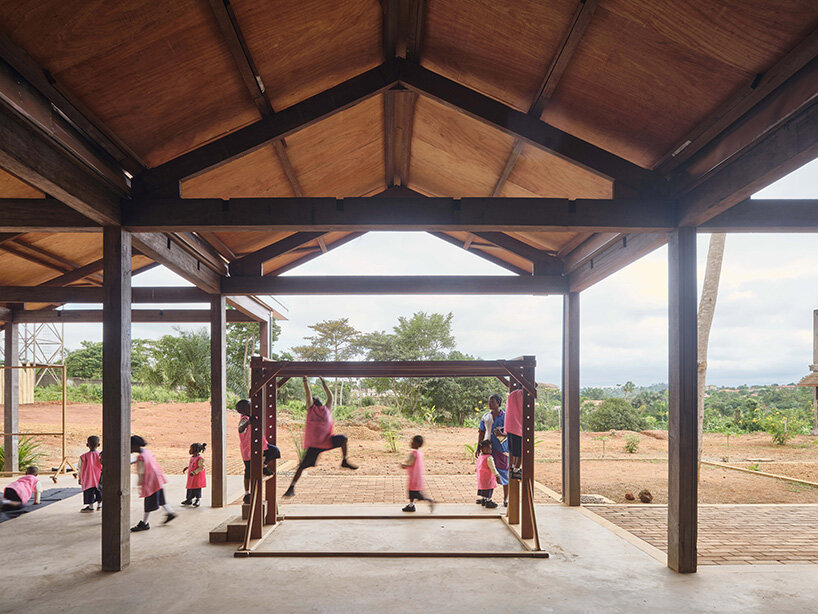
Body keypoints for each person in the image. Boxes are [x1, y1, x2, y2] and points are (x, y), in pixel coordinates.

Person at [283, 376, 357, 498]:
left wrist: (322, 381)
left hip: (325, 441)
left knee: (343, 439)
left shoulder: (325, 409)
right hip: (316, 445)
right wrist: (306, 381)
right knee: (301, 466)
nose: (312, 400)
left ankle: (344, 461)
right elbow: (310, 395)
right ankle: (291, 487)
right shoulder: (312, 409)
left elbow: (330, 396)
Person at [237, 399, 281, 504]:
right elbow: (240, 429)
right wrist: (248, 422)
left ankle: (264, 466)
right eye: (249, 406)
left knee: (275, 451)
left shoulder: (253, 416)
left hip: (261, 446)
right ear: (243, 410)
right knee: (248, 471)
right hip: (248, 450)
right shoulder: (244, 419)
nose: (251, 407)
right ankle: (247, 493)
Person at [130, 435, 176, 532]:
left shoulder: (141, 457)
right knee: (161, 499)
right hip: (157, 480)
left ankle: (144, 523)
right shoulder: (146, 452)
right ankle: (170, 512)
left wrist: (140, 484)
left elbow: (141, 472)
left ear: (134, 446)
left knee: (148, 503)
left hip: (150, 482)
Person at [476, 393, 509, 506]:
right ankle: (486, 497)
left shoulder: (506, 416)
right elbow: (481, 432)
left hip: (501, 450)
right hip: (487, 450)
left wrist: (502, 434)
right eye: (489, 401)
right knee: (487, 474)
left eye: (492, 401)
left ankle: (506, 499)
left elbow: (511, 433)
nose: (489, 403)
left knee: (504, 473)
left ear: (498, 403)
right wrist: (478, 448)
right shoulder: (486, 416)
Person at [400, 435, 434, 513]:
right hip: (417, 476)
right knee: (412, 493)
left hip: (414, 478)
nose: (411, 443)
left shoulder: (414, 454)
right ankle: (411, 505)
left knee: (415, 493)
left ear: (417, 444)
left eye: (413, 442)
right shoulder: (419, 453)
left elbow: (409, 463)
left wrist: (403, 466)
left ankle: (428, 501)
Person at [78, 435, 102, 512]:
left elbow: (80, 468)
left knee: (89, 492)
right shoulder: (100, 455)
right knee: (99, 491)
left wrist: (80, 478)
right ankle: (100, 505)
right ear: (98, 445)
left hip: (88, 478)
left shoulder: (83, 457)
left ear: (87, 445)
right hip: (99, 478)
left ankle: (90, 506)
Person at [504, 383, 523, 478]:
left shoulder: (512, 394)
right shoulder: (523, 394)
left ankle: (513, 467)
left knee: (513, 451)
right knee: (521, 451)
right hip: (518, 426)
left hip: (509, 426)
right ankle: (516, 469)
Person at [476, 440, 501, 509]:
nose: (489, 450)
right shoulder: (489, 458)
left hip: (481, 476)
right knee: (489, 489)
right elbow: (493, 468)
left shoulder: (481, 457)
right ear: (482, 449)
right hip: (488, 477)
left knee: (483, 488)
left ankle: (484, 499)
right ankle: (488, 501)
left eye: (490, 448)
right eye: (487, 448)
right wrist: (497, 475)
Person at [181, 442, 207, 507]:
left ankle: (197, 500)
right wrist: (187, 467)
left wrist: (194, 472)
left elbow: (202, 467)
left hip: (197, 477)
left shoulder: (200, 459)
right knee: (190, 488)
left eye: (191, 449)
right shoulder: (192, 457)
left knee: (197, 488)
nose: (190, 450)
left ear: (195, 450)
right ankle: (189, 499)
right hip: (191, 477)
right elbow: (192, 464)